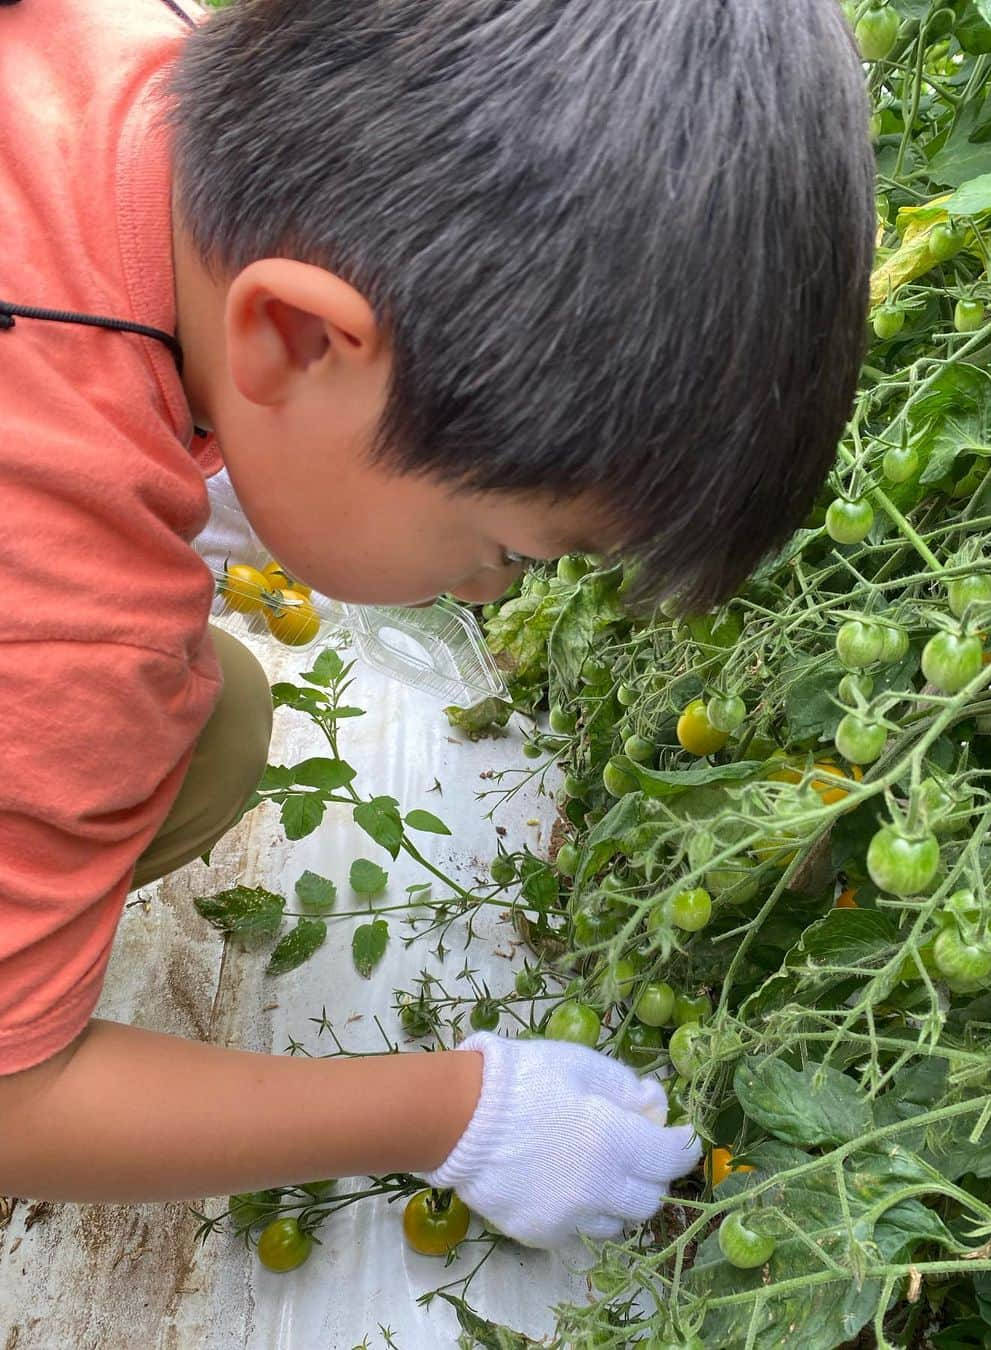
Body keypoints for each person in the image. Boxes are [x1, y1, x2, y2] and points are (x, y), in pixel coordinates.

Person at [0, 0, 876, 1250]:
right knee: (164, 729)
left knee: (216, 719)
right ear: (298, 338)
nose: (490, 594)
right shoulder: (63, 631)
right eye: (511, 551)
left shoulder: (128, 61)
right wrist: (450, 1111)